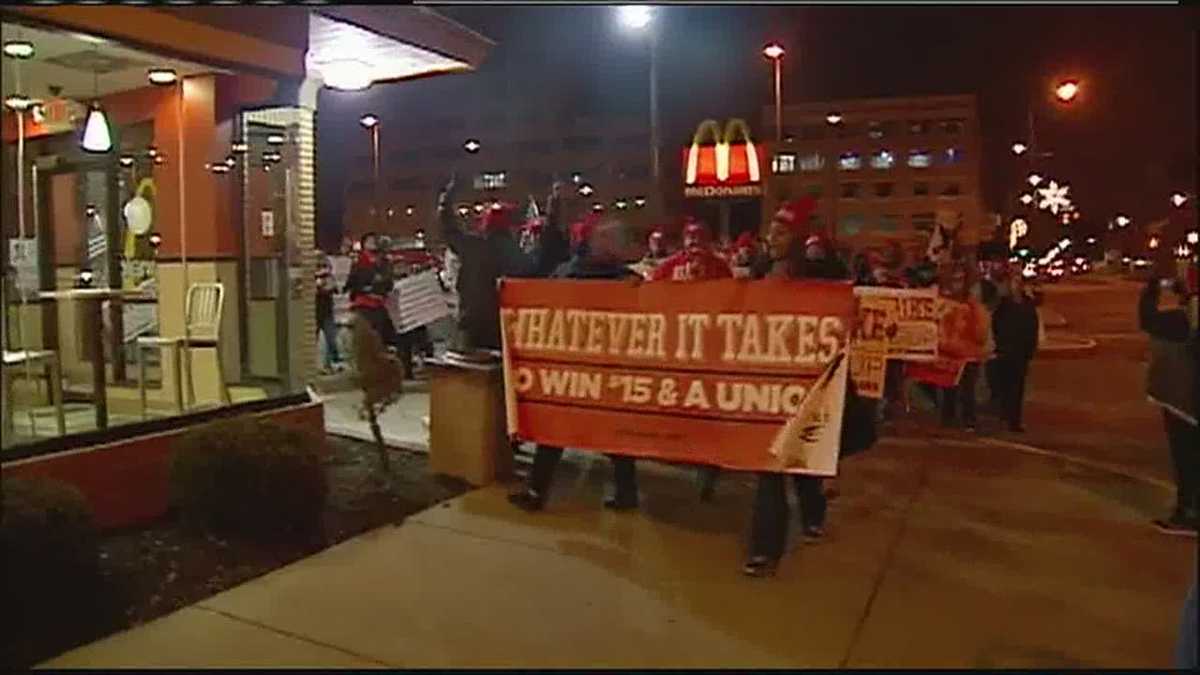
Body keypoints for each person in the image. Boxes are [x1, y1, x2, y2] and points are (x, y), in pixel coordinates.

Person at [743, 198, 874, 578]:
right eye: (771, 230)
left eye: (781, 232)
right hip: (768, 377)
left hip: (809, 379)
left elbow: (841, 309)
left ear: (798, 238)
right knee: (770, 463)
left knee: (802, 454)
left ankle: (812, 512)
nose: (772, 237)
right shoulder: (760, 269)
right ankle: (765, 549)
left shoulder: (820, 273)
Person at [508, 215, 643, 513]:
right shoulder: (567, 273)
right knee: (555, 431)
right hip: (571, 367)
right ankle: (536, 490)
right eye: (611, 240)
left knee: (614, 434)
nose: (616, 246)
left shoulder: (628, 281)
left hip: (606, 369)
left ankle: (625, 492)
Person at [436, 176, 568, 352]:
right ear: (510, 229)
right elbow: (542, 261)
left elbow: (449, 228)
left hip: (472, 325)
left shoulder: (472, 247)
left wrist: (447, 196)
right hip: (507, 327)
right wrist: (553, 211)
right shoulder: (517, 255)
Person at [1139, 272, 1198, 536]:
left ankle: (1188, 513)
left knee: (1186, 458)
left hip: (1183, 402)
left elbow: (1147, 318)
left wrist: (1152, 287)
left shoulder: (1182, 321)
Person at [938, 261, 989, 431]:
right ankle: (948, 418)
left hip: (968, 355)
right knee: (948, 388)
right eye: (954, 279)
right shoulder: (945, 303)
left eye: (960, 279)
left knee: (967, 389)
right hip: (950, 353)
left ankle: (969, 420)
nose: (956, 284)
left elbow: (981, 332)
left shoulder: (973, 305)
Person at [991, 272, 1039, 432]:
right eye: (1014, 282)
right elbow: (995, 325)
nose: (1016, 286)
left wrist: (1031, 349)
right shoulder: (1003, 304)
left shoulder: (1028, 304)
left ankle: (1015, 420)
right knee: (1004, 385)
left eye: (1019, 282)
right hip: (1005, 351)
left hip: (1021, 352)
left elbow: (1033, 327)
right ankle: (1004, 412)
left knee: (1017, 387)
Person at [344, 232, 401, 368]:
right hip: (364, 304)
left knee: (381, 337)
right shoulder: (359, 263)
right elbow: (352, 283)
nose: (374, 243)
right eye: (370, 240)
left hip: (380, 305)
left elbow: (389, 283)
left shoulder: (384, 262)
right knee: (367, 337)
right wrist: (367, 289)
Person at [651, 218, 733, 282]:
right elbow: (655, 289)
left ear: (708, 241)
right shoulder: (669, 266)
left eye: (701, 237)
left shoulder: (720, 267)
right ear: (684, 241)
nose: (695, 240)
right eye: (690, 236)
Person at [315, 253, 342, 373]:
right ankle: (315, 365)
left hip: (327, 312)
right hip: (314, 312)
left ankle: (332, 363)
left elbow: (334, 289)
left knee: (331, 338)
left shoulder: (329, 277)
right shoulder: (311, 278)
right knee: (313, 341)